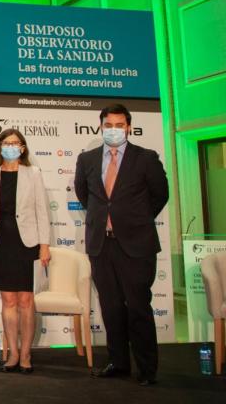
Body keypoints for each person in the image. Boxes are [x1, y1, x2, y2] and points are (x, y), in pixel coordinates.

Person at [74, 104, 168, 387]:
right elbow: (85, 196)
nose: (114, 130)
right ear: (101, 126)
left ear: (128, 127)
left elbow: (159, 196)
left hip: (136, 245)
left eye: (119, 124)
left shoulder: (146, 158)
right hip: (102, 245)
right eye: (108, 125)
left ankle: (147, 369)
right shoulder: (87, 159)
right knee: (111, 307)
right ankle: (118, 362)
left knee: (138, 306)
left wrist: (133, 221)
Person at [0, 129, 51, 374]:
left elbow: (42, 211)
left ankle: (26, 353)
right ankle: (13, 354)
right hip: (0, 244)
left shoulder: (33, 173)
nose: (10, 146)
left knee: (26, 300)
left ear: (23, 147)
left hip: (26, 244)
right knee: (8, 300)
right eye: (6, 143)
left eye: (15, 143)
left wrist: (45, 245)